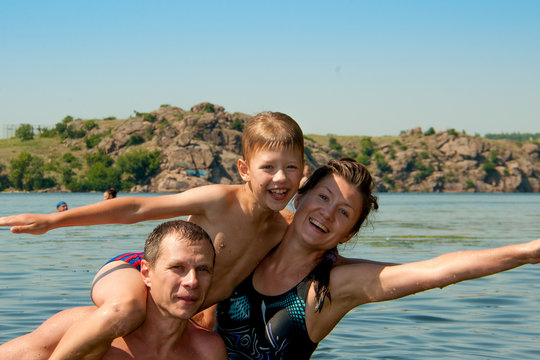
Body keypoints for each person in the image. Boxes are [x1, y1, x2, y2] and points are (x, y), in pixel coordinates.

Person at [0, 111, 305, 359]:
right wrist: (53, 220)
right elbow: (137, 208)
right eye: (268, 167)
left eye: (291, 167)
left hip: (183, 302)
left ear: (303, 171)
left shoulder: (282, 229)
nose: (280, 178)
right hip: (137, 270)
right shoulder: (219, 200)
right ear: (244, 169)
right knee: (125, 310)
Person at [215, 158, 540, 359]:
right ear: (299, 199)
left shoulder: (333, 286)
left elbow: (436, 271)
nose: (327, 213)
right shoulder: (253, 241)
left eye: (343, 212)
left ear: (349, 234)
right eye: (323, 197)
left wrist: (526, 253)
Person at [0, 220, 228, 359]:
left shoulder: (206, 350)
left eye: (203, 270)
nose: (192, 281)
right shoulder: (81, 328)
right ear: (146, 273)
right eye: (177, 268)